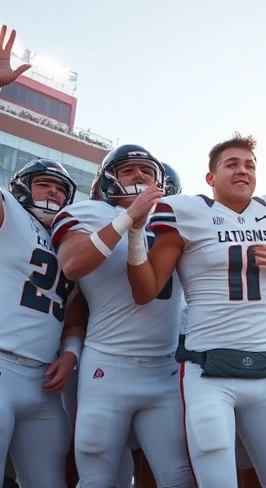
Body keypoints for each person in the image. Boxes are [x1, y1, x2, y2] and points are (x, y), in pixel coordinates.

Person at [127, 83, 266, 487]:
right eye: (232, 164)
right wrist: (135, 232)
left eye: (250, 165)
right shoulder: (183, 211)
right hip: (208, 372)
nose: (243, 170)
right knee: (217, 477)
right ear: (211, 176)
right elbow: (144, 290)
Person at [0, 25, 82, 488]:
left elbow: (74, 310)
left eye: (62, 188)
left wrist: (71, 352)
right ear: (24, 187)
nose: (54, 193)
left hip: (45, 381)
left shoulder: (68, 240)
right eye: (46, 184)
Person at [51, 144, 192, 487]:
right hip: (107, 367)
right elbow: (72, 265)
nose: (140, 175)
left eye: (147, 170)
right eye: (128, 170)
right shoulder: (89, 213)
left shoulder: (178, 219)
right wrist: (128, 219)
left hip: (165, 368)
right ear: (107, 181)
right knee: (98, 477)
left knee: (179, 477)